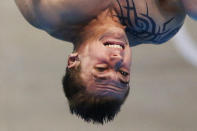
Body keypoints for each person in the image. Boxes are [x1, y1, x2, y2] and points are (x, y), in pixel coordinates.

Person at [15, 0, 197, 124]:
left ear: (74, 60)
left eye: (101, 69)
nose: (117, 61)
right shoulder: (159, 27)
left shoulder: (52, 10)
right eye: (123, 74)